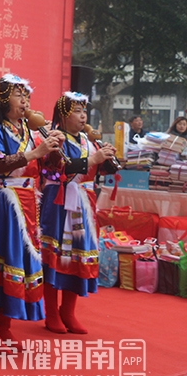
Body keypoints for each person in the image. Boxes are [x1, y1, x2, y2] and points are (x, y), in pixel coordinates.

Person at [0, 74, 62, 350]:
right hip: (1, 202)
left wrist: (54, 148)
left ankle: (5, 328)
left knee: (15, 265)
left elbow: (51, 170)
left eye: (27, 96)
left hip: (27, 202)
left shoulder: (28, 130)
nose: (25, 101)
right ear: (3, 99)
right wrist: (33, 153)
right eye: (19, 95)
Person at [40, 93, 117, 334]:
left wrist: (106, 159)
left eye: (84, 111)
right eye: (77, 111)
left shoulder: (86, 139)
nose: (83, 116)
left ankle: (68, 311)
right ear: (63, 115)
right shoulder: (54, 137)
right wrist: (92, 159)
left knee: (77, 256)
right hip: (59, 201)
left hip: (83, 202)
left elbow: (97, 168)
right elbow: (56, 168)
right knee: (55, 255)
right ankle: (51, 312)